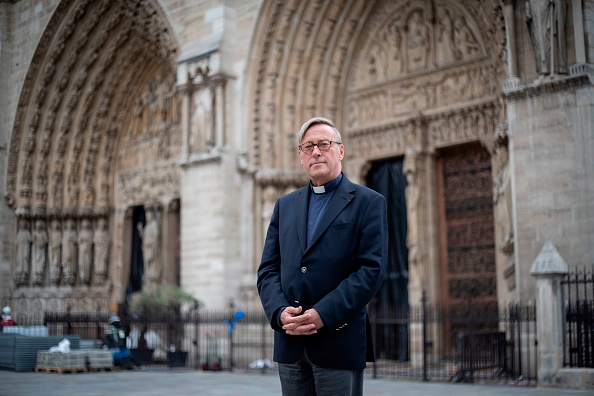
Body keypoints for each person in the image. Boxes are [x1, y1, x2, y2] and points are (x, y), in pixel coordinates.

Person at [257, 117, 388, 396]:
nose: (316, 151)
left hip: (338, 342)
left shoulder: (369, 202)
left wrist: (323, 314)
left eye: (324, 144)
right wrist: (280, 313)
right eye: (308, 147)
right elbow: (268, 270)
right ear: (301, 157)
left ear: (340, 151)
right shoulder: (284, 206)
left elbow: (371, 270)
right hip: (290, 344)